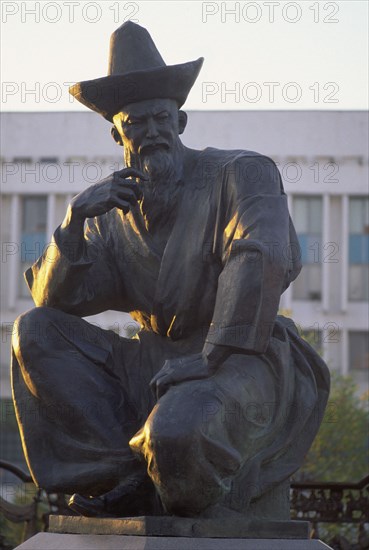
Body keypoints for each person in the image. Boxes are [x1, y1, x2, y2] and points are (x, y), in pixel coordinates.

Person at [11, 22, 330, 519]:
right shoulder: (111, 211)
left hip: (238, 357)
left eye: (161, 118)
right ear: (117, 132)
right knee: (33, 331)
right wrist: (73, 223)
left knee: (176, 437)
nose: (151, 131)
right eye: (136, 122)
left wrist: (211, 355)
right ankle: (127, 473)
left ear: (181, 121)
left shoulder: (242, 172)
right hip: (152, 363)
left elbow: (261, 254)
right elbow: (54, 304)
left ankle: (161, 466)